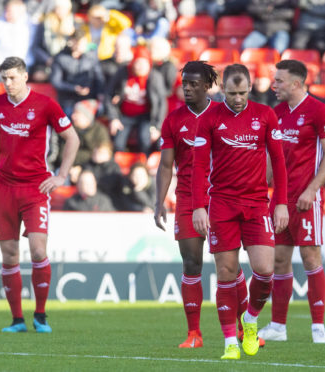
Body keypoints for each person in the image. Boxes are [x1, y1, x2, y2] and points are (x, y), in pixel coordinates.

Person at [191, 63, 289, 360]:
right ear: (222, 90)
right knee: (226, 272)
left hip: (257, 203)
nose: (237, 98)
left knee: (265, 270)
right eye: (232, 93)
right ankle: (230, 342)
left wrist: (281, 201)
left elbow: (279, 161)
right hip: (221, 204)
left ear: (250, 88)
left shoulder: (265, 115)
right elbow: (198, 166)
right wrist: (199, 206)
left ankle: (250, 319)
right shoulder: (209, 119)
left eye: (243, 92)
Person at [0, 56, 80, 333]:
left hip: (36, 187)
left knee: (38, 250)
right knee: (10, 254)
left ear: (25, 77)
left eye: (12, 77)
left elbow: (72, 137)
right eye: (4, 78)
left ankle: (40, 314)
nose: (8, 83)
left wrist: (61, 175)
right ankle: (17, 320)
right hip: (4, 188)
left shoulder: (45, 104)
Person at [258, 59, 325, 344]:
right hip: (279, 201)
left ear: (296, 83)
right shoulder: (275, 113)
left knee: (310, 257)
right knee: (279, 260)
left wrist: (312, 189)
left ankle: (318, 327)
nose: (274, 85)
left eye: (279, 80)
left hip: (307, 200)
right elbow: (269, 159)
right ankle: (278, 327)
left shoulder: (318, 110)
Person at [154, 60, 219, 348]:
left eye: (194, 84)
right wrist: (159, 202)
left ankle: (244, 328)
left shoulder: (222, 114)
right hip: (187, 199)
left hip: (221, 196)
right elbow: (166, 166)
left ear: (208, 85)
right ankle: (194, 333)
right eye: (185, 84)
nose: (188, 88)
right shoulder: (173, 120)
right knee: (192, 263)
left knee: (227, 265)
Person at [105, 46, 167, 155]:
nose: (141, 67)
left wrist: (157, 127)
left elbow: (162, 102)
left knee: (145, 141)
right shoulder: (122, 73)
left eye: (144, 64)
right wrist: (113, 118)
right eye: (138, 63)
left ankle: (142, 166)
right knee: (118, 143)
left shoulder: (155, 77)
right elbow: (108, 94)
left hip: (146, 116)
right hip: (124, 114)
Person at [0, 0, 37, 82]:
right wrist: (0, 64)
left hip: (24, 65)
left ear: (21, 10)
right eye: (6, 11)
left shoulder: (31, 24)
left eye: (10, 12)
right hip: (0, 66)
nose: (7, 14)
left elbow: (31, 49)